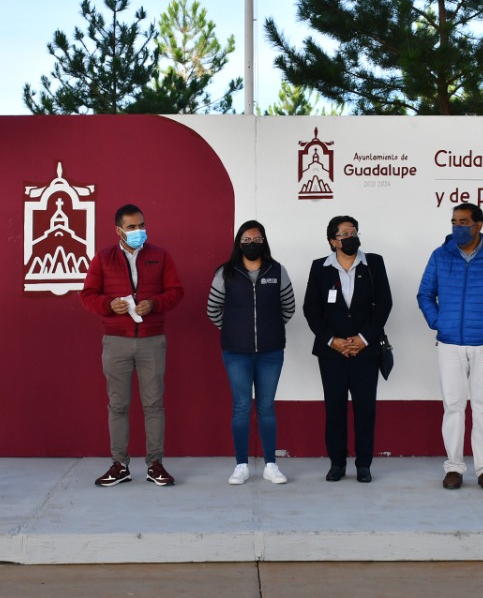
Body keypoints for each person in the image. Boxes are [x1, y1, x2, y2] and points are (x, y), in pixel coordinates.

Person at [416, 202, 483, 491]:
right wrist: (440, 322)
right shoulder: (440, 256)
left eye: (463, 222)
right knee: (452, 407)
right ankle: (454, 467)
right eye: (454, 221)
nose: (457, 227)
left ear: (479, 225)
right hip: (449, 344)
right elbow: (425, 293)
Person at [80, 204, 184, 487]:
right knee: (118, 405)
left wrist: (155, 304)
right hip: (116, 341)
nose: (139, 231)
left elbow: (176, 291)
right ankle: (119, 464)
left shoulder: (160, 256)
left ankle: (155, 464)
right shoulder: (103, 259)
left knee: (153, 404)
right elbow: (88, 295)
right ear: (119, 230)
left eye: (141, 225)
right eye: (132, 227)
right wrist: (107, 305)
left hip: (152, 340)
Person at [303, 215, 393, 483]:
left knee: (366, 409)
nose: (351, 236)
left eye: (354, 231)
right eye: (345, 233)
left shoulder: (373, 263)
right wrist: (334, 340)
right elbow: (311, 310)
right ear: (333, 241)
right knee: (335, 409)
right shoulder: (320, 268)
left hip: (366, 351)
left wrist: (363, 338)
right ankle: (337, 463)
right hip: (332, 353)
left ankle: (363, 464)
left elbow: (384, 304)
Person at [206, 220, 296, 485]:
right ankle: (241, 465)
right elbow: (213, 311)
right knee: (242, 407)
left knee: (267, 407)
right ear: (239, 242)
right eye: (246, 240)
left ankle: (270, 464)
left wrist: (267, 329)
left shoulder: (277, 271)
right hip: (236, 353)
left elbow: (287, 308)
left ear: (264, 242)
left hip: (271, 352)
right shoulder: (226, 273)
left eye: (257, 240)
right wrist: (235, 330)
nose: (252, 244)